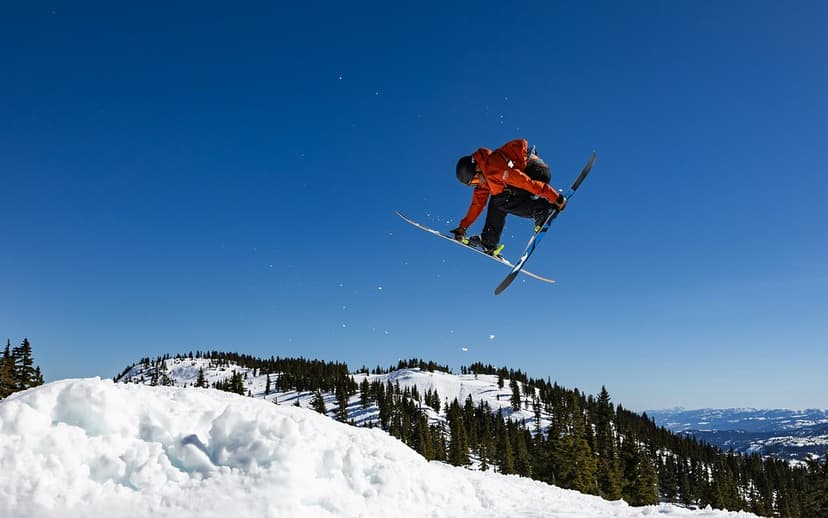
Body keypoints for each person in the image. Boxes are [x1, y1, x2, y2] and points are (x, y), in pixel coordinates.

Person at [450, 138, 567, 256]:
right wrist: (463, 227)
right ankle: (488, 241)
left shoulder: (493, 167)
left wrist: (556, 197)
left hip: (536, 171)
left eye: (475, 179)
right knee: (497, 199)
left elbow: (524, 182)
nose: (478, 183)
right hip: (529, 176)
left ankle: (542, 211)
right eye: (474, 183)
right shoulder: (485, 179)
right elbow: (477, 204)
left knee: (499, 200)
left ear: (477, 168)